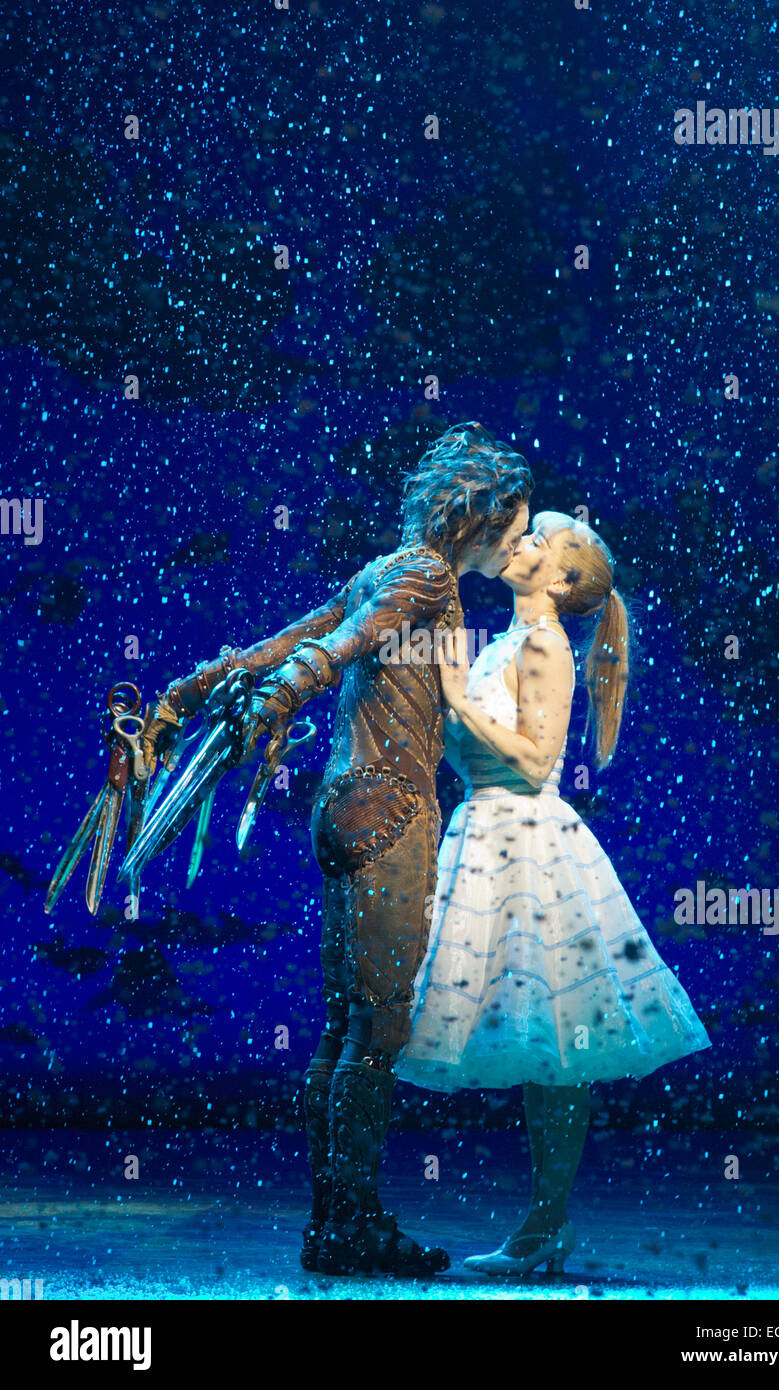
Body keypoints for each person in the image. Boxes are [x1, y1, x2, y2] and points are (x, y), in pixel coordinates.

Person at [141, 422, 532, 1275]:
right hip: (391, 812)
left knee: (341, 1029)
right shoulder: (425, 575)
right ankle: (351, 1226)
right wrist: (282, 692)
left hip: (343, 808)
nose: (518, 539)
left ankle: (334, 1224)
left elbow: (296, 633)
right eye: (513, 521)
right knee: (378, 1028)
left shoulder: (383, 568)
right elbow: (333, 647)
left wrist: (200, 685)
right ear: (477, 514)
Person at [396, 510, 711, 1274]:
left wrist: (457, 698)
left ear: (563, 581)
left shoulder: (544, 644)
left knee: (559, 1042)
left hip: (527, 845)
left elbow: (538, 762)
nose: (522, 544)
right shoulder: (507, 640)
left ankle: (547, 1224)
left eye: (539, 540)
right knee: (542, 1042)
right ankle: (544, 1225)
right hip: (484, 834)